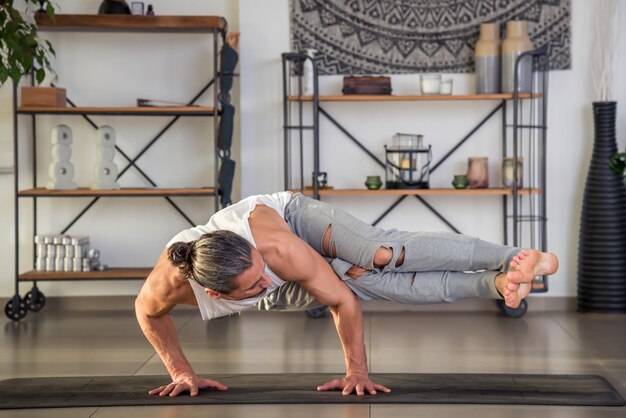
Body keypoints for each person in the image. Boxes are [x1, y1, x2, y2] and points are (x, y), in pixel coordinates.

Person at [135, 191, 558, 397]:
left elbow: (342, 302)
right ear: (215, 294)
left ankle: (515, 259)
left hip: (295, 222)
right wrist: (180, 371)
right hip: (266, 274)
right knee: (371, 283)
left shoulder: (272, 250)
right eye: (253, 285)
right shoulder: (167, 285)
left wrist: (357, 371)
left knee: (378, 256)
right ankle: (498, 285)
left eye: (261, 270)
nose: (264, 280)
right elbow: (148, 313)